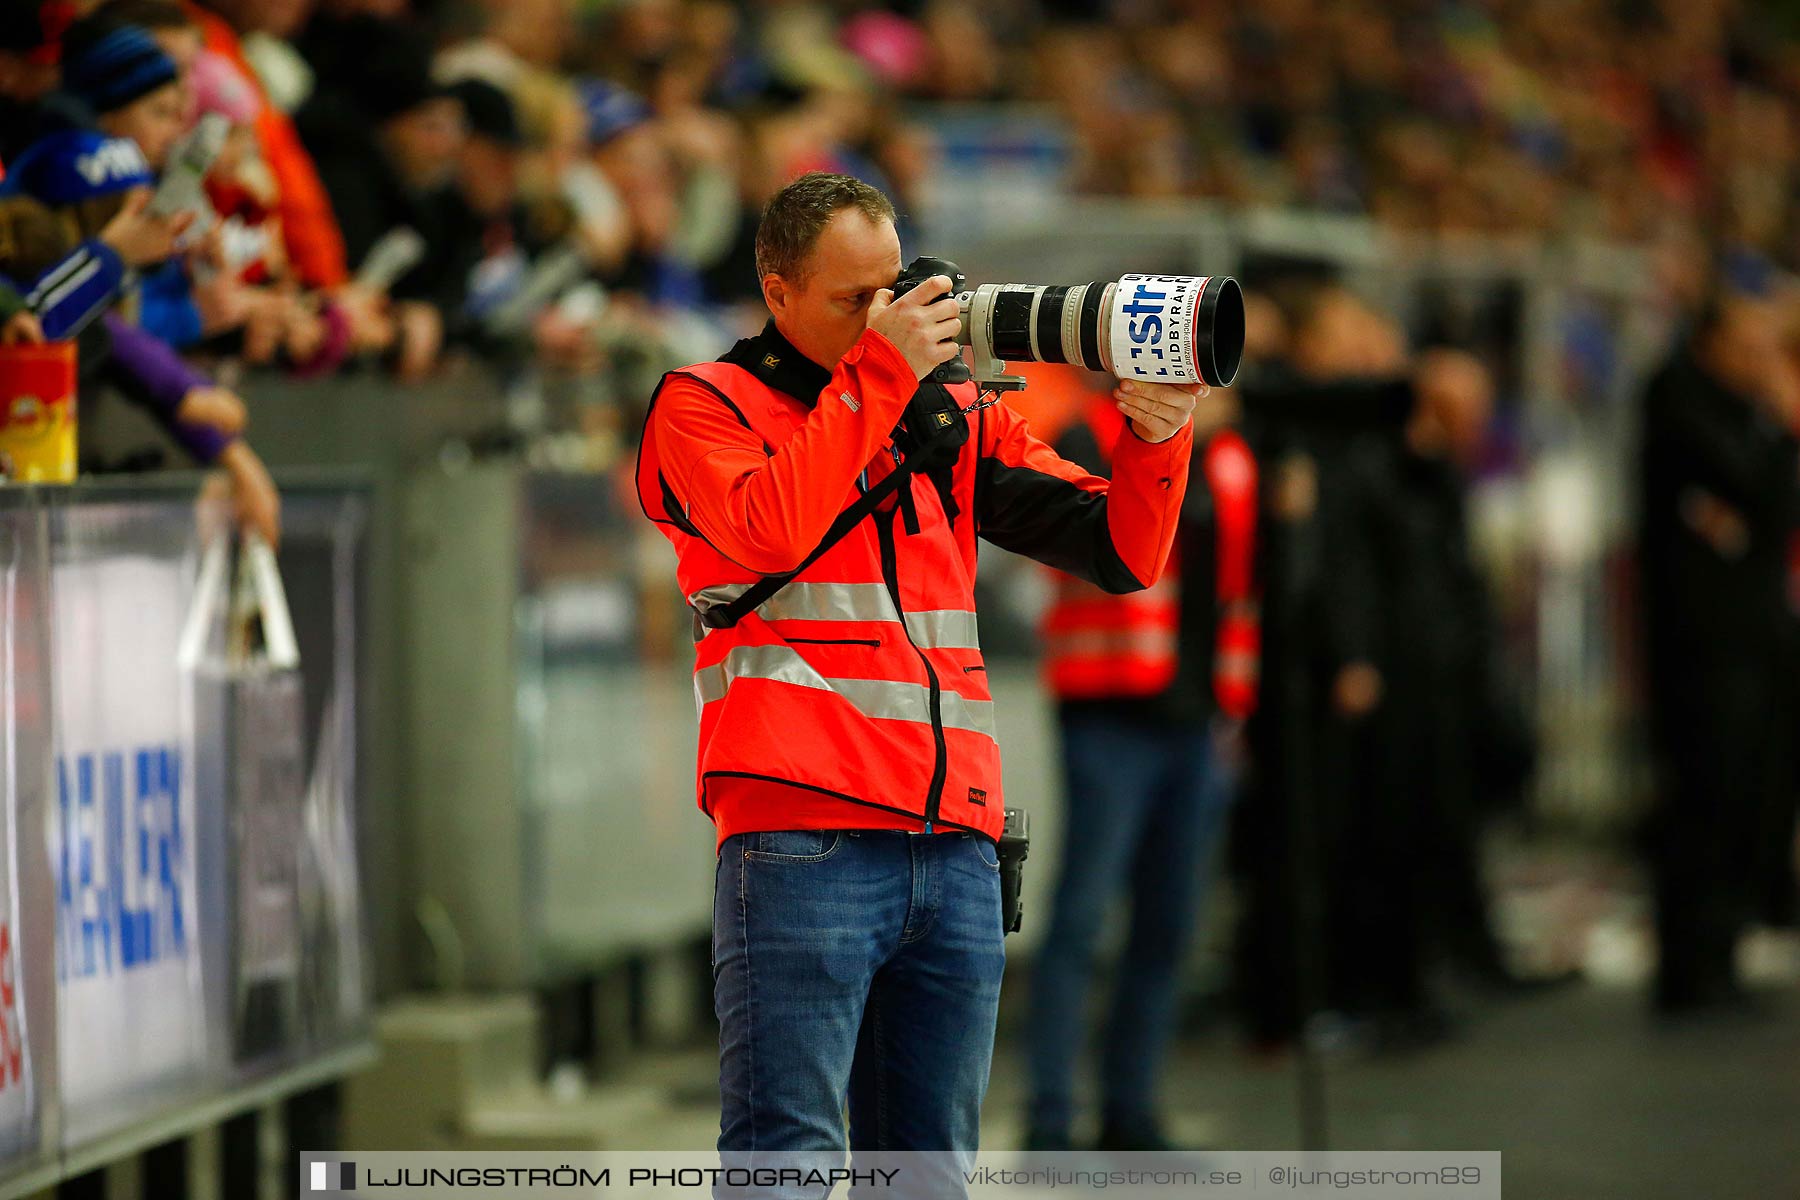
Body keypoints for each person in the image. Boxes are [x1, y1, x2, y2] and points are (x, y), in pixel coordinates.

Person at [634, 172, 1201, 1178]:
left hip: (956, 843)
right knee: (786, 1160)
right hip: (799, 835)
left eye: (891, 289)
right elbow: (766, 525)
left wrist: (1156, 437)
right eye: (852, 300)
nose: (883, 317)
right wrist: (878, 382)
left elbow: (1121, 552)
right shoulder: (701, 406)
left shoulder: (944, 415)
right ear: (776, 292)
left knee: (930, 1169)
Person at [1024, 370, 1255, 1151]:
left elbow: (1239, 590)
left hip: (1197, 718)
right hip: (1108, 710)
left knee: (1168, 922)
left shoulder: (1228, 460)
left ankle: (1131, 1108)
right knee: (1082, 918)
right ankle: (1050, 1117)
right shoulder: (1086, 434)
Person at [1638, 287, 1800, 1018]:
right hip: (1702, 643)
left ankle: (1723, 953)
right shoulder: (1677, 400)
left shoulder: (1740, 414)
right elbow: (1754, 495)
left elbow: (1767, 512)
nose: (1764, 361)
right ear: (1712, 341)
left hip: (1754, 632)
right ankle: (1689, 965)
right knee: (1703, 795)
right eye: (1752, 344)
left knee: (1747, 796)